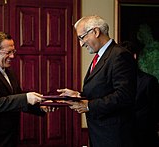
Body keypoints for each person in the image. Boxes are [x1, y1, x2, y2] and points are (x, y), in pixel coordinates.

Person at [57, 15, 137, 147]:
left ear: (95, 32)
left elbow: (124, 96)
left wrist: (88, 105)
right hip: (100, 135)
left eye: (81, 38)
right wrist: (78, 96)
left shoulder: (119, 55)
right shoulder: (102, 56)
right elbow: (102, 91)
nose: (81, 44)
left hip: (115, 138)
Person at [0, 31, 50, 147]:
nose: (12, 56)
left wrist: (41, 106)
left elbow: (15, 99)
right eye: (8, 52)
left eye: (13, 51)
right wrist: (26, 98)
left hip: (8, 140)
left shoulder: (8, 72)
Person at [120, 41, 159, 147]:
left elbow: (155, 112)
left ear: (134, 56)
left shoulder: (149, 81)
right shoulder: (114, 83)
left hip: (144, 139)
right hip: (120, 139)